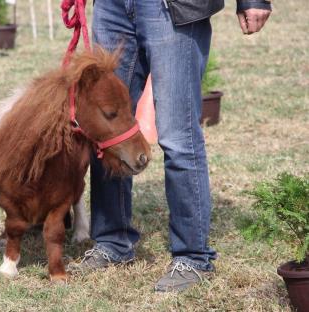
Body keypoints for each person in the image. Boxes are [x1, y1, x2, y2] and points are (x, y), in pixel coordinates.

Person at [68, 0, 272, 292]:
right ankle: (113, 241)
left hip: (173, 6)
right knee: (108, 127)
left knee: (179, 136)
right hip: (112, 6)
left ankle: (192, 256)